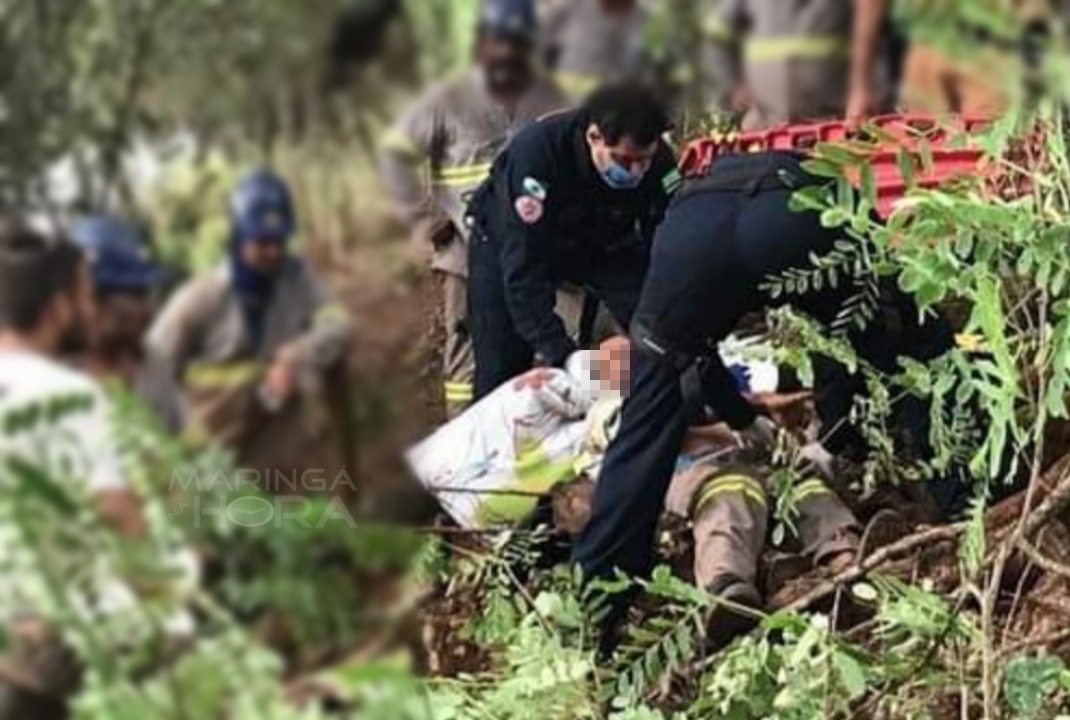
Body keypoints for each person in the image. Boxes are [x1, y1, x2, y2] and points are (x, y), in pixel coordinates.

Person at [573, 149, 955, 615]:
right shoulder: (600, 406)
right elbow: (841, 340)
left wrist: (754, 420)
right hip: (794, 213)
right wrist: (805, 430)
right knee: (901, 338)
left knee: (805, 491)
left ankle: (599, 599)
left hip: (705, 247)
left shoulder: (675, 241)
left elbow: (686, 369)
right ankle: (965, 496)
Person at [380, 0, 568, 417]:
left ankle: (544, 429)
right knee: (468, 345)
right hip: (465, 247)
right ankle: (463, 439)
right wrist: (429, 221)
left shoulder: (547, 94)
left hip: (536, 246)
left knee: (550, 333)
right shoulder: (447, 98)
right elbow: (394, 155)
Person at [0, 222, 148, 718]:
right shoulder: (67, 395)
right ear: (58, 307)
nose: (92, 311)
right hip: (43, 642)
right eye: (85, 297)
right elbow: (120, 522)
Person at [467, 82, 681, 399]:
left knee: (658, 323)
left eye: (644, 160)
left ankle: (673, 407)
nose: (637, 171)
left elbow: (667, 243)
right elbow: (524, 271)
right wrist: (562, 354)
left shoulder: (660, 162)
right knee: (502, 362)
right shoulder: (537, 158)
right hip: (509, 240)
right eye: (624, 161)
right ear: (594, 136)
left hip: (598, 238)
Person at [147, 169, 353, 489]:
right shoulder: (199, 299)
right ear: (238, 236)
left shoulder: (298, 280)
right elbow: (152, 368)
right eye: (261, 242)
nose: (273, 252)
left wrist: (298, 356)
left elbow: (340, 324)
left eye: (279, 241)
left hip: (276, 462)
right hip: (207, 466)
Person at [68, 216, 184, 433]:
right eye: (135, 294)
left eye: (147, 294)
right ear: (92, 299)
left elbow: (186, 440)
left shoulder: (149, 362)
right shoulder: (54, 373)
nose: (148, 308)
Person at [703, 0, 890, 129]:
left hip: (834, 124)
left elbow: (877, 34)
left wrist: (863, 89)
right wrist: (733, 83)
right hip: (765, 124)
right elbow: (716, 33)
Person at [541, 0, 651, 101]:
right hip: (563, 92)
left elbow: (630, 62)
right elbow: (549, 28)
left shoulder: (637, 16)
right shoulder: (575, 4)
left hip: (605, 98)